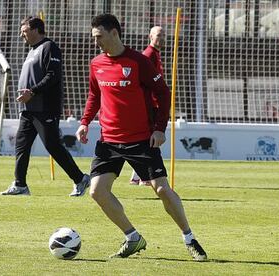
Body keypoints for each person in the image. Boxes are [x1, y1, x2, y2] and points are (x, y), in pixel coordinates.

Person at [75, 14, 207, 261]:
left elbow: (163, 93)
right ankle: (133, 237)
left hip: (140, 140)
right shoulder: (96, 64)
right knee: (96, 192)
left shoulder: (139, 61)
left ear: (114, 33)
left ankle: (189, 238)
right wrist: (84, 122)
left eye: (99, 37)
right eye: (94, 38)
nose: (96, 43)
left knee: (162, 190)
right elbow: (95, 95)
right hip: (109, 140)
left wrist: (159, 128)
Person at [0, 16, 90, 196]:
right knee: (21, 146)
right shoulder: (32, 50)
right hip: (28, 110)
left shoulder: (49, 47)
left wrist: (31, 92)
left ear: (35, 30)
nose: (21, 35)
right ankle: (20, 184)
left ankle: (80, 179)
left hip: (44, 108)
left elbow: (52, 76)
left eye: (24, 31)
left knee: (53, 146)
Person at [130, 26, 165, 187]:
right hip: (150, 104)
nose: (161, 37)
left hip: (153, 103)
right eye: (158, 35)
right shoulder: (149, 54)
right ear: (150, 36)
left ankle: (138, 177)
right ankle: (144, 177)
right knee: (148, 140)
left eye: (163, 34)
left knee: (147, 140)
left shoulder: (155, 53)